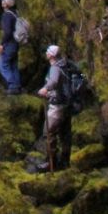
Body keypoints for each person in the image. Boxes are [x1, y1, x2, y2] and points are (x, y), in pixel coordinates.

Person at [36, 44, 73, 172]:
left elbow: (54, 81)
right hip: (67, 104)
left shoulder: (55, 68)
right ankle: (65, 161)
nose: (46, 53)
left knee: (48, 132)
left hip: (57, 106)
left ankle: (51, 162)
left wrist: (45, 89)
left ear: (51, 55)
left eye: (47, 51)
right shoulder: (65, 65)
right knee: (65, 134)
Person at [0, 0, 22, 95]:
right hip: (15, 44)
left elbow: (7, 32)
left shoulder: (7, 15)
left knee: (3, 66)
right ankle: (18, 86)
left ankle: (13, 86)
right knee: (13, 66)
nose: (2, 2)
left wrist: (2, 44)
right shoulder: (15, 13)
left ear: (7, 3)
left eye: (4, 0)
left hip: (9, 44)